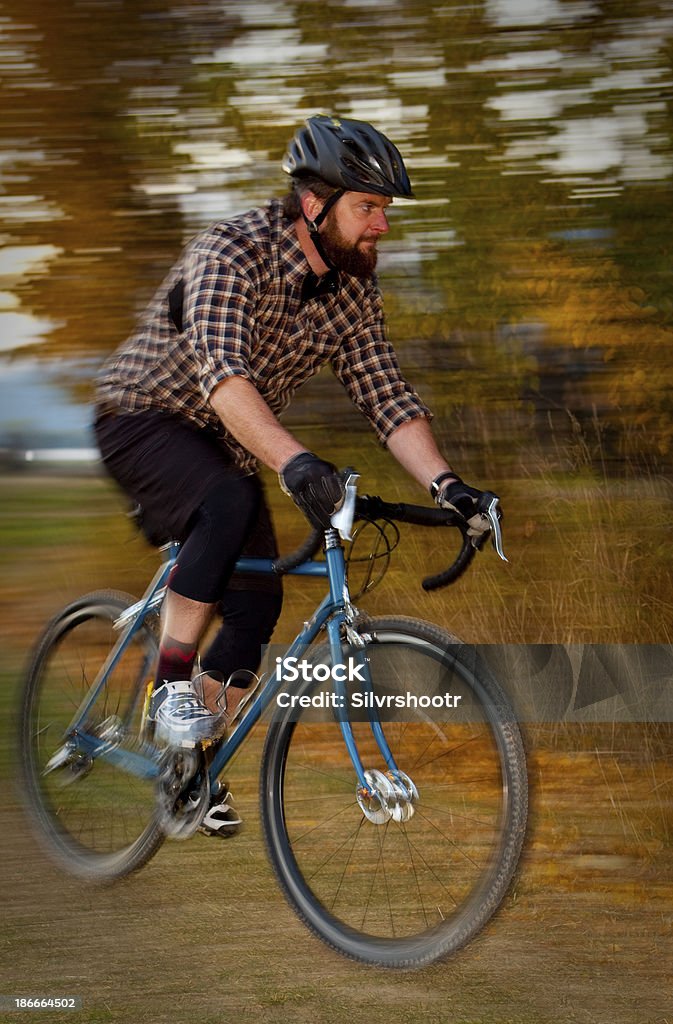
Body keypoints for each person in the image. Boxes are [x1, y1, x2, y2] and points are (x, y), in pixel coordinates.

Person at [94, 114, 496, 836]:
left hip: (230, 450)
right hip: (142, 417)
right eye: (367, 207)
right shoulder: (231, 252)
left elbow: (387, 398)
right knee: (228, 495)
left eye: (384, 210)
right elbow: (222, 376)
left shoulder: (349, 293)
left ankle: (187, 766)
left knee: (254, 609)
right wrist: (297, 461)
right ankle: (168, 693)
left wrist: (449, 486)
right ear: (314, 203)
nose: (381, 226)